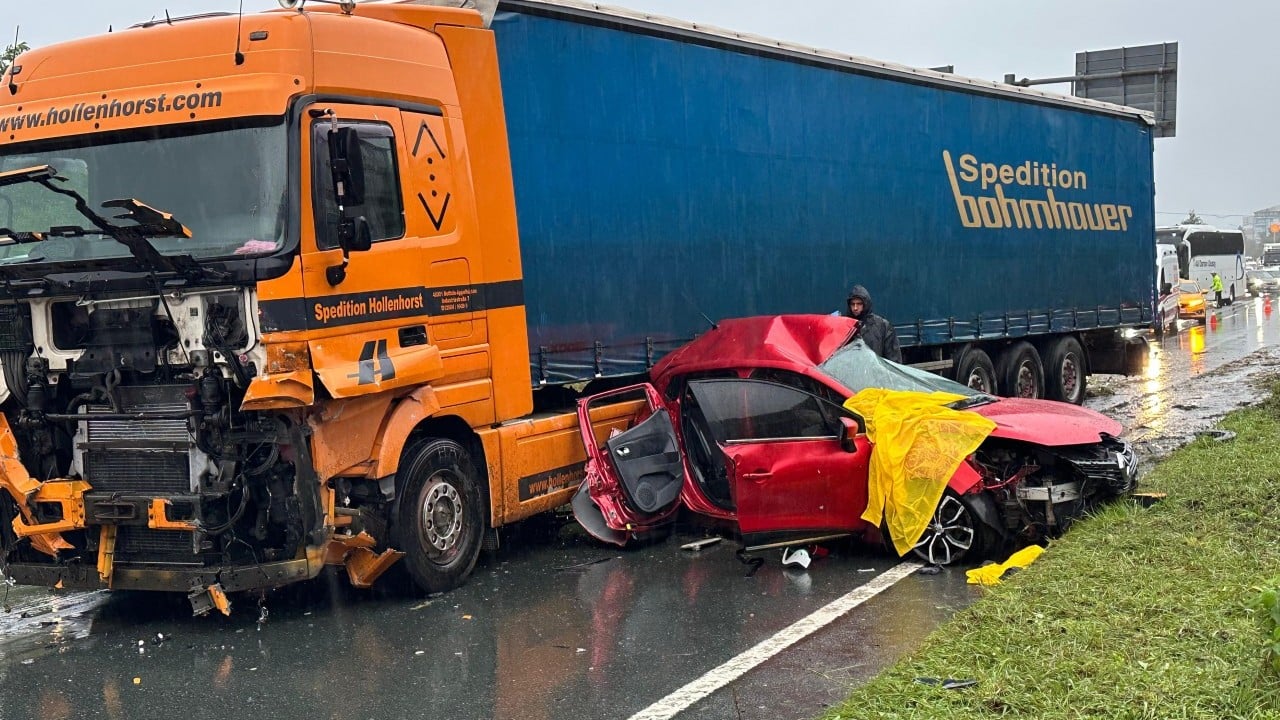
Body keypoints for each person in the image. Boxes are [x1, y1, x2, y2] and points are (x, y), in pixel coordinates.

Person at [840, 284, 902, 362]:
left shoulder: (882, 326)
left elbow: (893, 360)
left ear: (866, 304)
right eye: (853, 304)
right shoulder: (844, 325)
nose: (855, 308)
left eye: (859, 304)